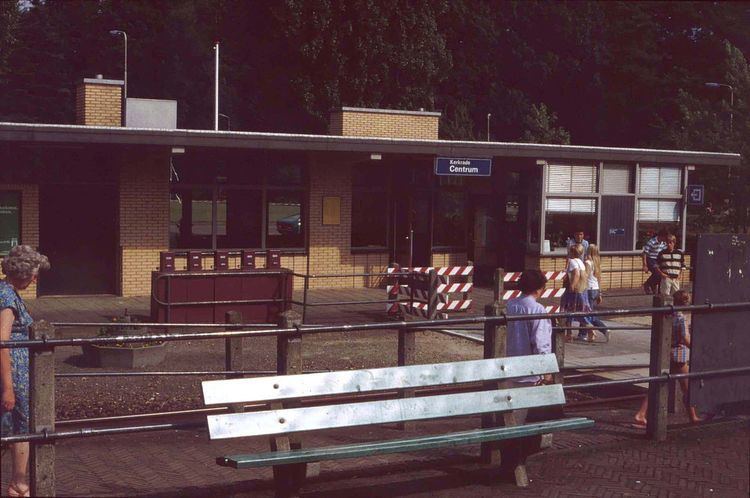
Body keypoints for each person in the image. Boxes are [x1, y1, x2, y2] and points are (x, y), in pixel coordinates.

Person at [1, 245, 50, 498]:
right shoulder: (7, 299)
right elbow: (3, 343)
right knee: (18, 427)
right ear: (23, 273)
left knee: (14, 427)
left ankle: (19, 485)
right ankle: (18, 485)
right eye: (34, 274)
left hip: (15, 374)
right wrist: (8, 389)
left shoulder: (5, 293)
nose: (35, 279)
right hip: (14, 375)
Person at [633, 290, 703, 427]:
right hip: (678, 354)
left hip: (667, 351)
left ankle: (641, 413)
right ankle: (693, 417)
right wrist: (696, 348)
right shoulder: (681, 318)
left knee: (657, 383)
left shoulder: (668, 313)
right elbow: (685, 337)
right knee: (687, 387)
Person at [506, 269, 553, 387]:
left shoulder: (511, 305)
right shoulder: (537, 309)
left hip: (512, 365)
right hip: (532, 370)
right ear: (538, 289)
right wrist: (546, 369)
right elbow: (540, 341)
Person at [560, 243, 592, 342]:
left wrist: (572, 285)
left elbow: (576, 273)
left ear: (572, 252)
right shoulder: (581, 262)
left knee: (567, 310)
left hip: (573, 290)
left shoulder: (572, 261)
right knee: (577, 312)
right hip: (582, 290)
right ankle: (589, 330)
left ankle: (569, 334)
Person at [583, 244, 609, 342]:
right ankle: (585, 333)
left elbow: (585, 276)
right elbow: (599, 279)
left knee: (588, 314)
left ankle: (603, 330)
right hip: (595, 289)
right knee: (588, 312)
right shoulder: (597, 263)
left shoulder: (588, 263)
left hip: (589, 289)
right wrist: (600, 293)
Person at [642, 229, 668, 294]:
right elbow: (644, 253)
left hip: (658, 259)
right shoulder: (651, 242)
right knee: (657, 272)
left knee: (662, 273)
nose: (665, 239)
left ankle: (653, 285)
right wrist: (645, 265)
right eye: (665, 237)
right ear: (661, 236)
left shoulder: (664, 243)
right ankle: (647, 284)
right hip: (651, 259)